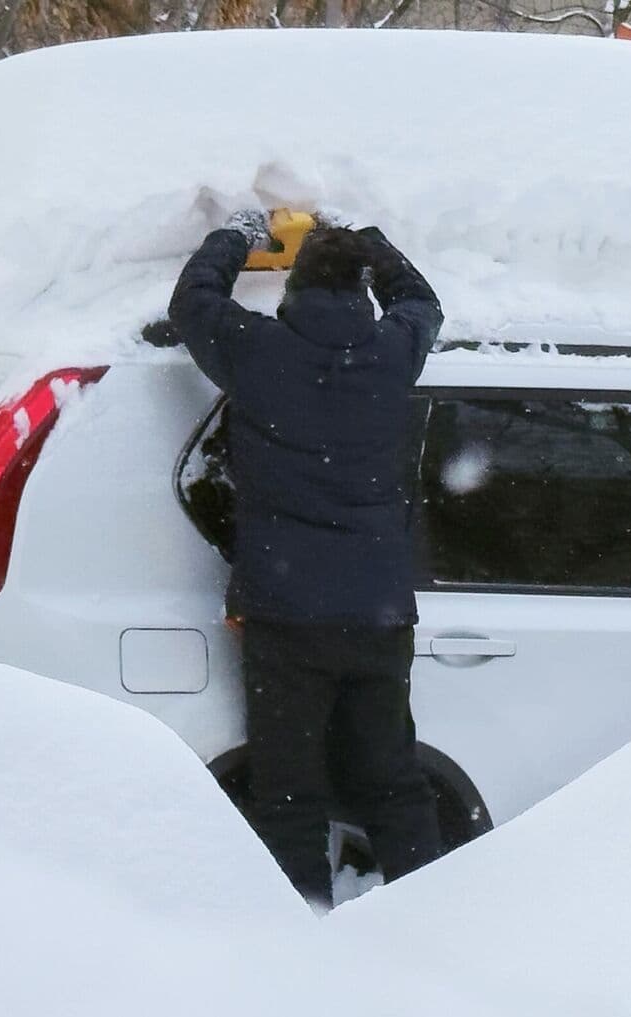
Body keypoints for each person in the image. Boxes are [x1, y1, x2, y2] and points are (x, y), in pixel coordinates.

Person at [168, 209, 446, 909]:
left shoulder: (259, 353)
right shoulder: (391, 353)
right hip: (380, 614)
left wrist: (235, 233)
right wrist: (373, 239)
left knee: (290, 792)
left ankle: (306, 937)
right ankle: (434, 923)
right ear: (360, 288)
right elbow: (423, 302)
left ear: (293, 287)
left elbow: (192, 302)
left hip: (286, 616)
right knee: (393, 783)